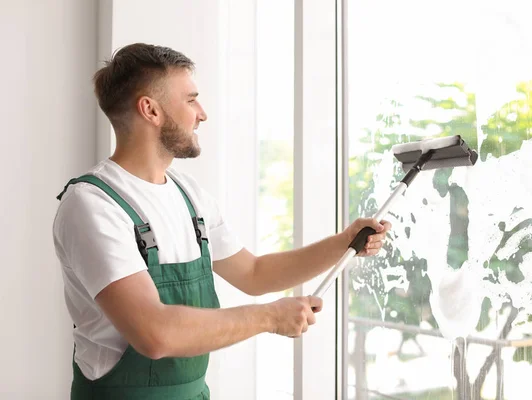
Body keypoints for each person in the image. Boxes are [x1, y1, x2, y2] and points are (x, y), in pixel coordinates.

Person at [52, 43, 391, 400]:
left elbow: (256, 274)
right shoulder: (93, 205)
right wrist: (271, 318)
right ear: (150, 110)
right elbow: (154, 333)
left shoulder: (188, 193)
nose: (202, 113)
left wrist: (344, 243)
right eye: (191, 100)